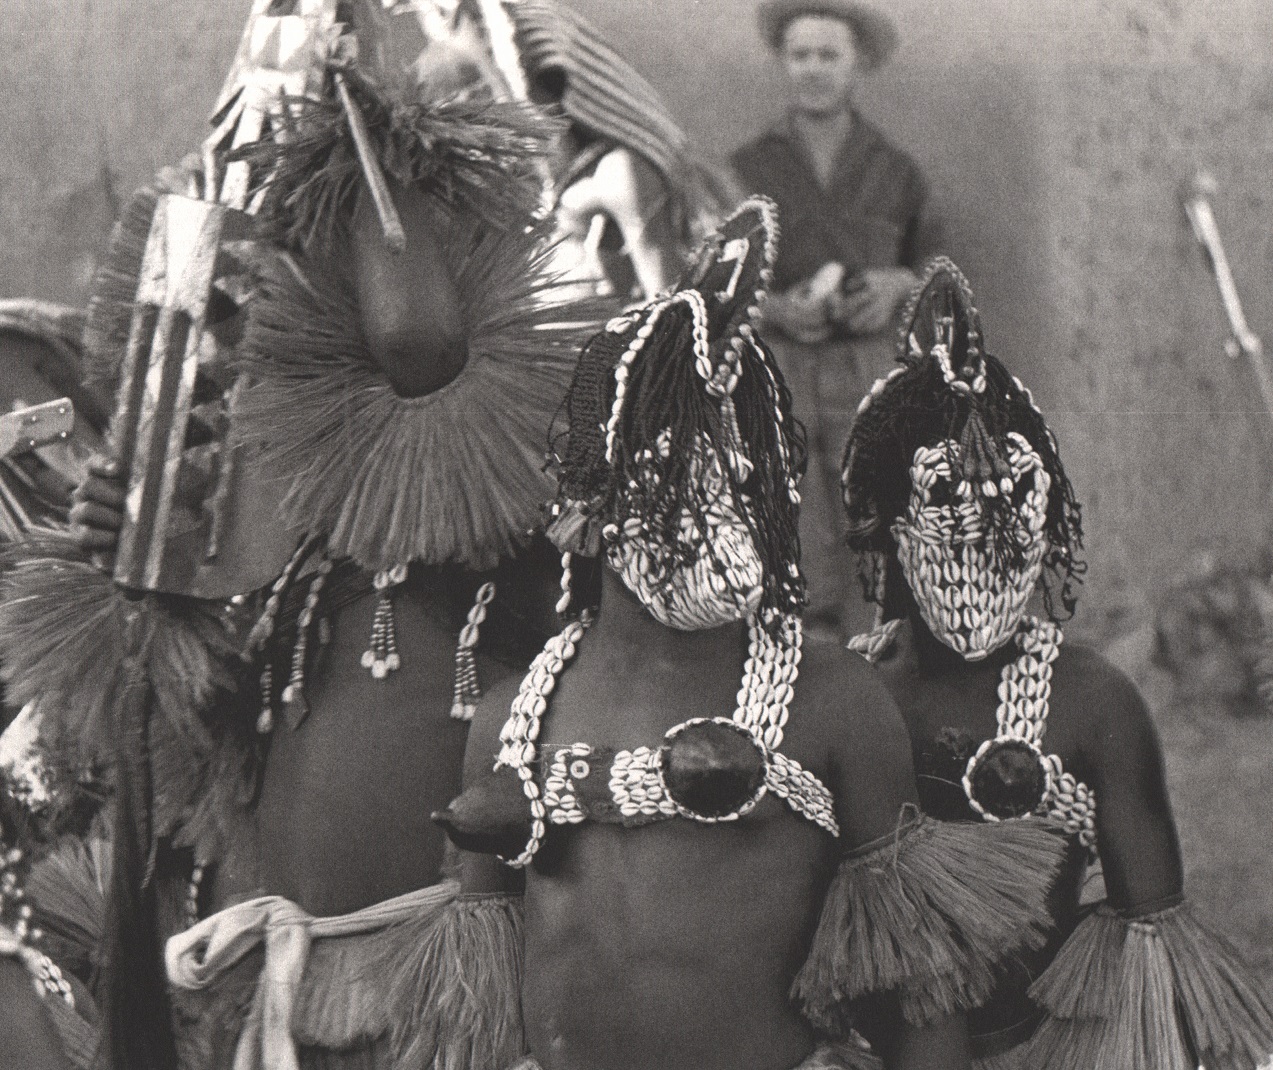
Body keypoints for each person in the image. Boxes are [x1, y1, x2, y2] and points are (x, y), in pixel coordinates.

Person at [0, 2, 719, 1068]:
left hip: (455, 991)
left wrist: (363, 129)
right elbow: (195, 733)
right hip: (283, 985)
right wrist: (140, 580)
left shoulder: (527, 487)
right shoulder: (284, 549)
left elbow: (419, 342)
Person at [436, 201, 1069, 1070]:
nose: (717, 512)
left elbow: (915, 980)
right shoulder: (511, 722)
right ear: (590, 504)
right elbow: (474, 998)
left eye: (741, 479)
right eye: (678, 479)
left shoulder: (832, 703)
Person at [840, 258, 1273, 1070]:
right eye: (946, 510)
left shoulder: (1089, 702)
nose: (978, 541)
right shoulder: (845, 692)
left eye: (1007, 511)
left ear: (1042, 528)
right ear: (892, 529)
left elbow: (1150, 936)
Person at [731, 0, 941, 641]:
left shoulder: (896, 171)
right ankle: (804, 667)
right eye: (800, 55)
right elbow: (715, 279)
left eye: (829, 55)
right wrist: (773, 308)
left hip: (871, 369)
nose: (813, 69)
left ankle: (885, 657)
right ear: (782, 63)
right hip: (781, 368)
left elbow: (936, 269)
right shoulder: (747, 167)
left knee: (879, 513)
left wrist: (898, 284)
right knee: (790, 518)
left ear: (857, 66)